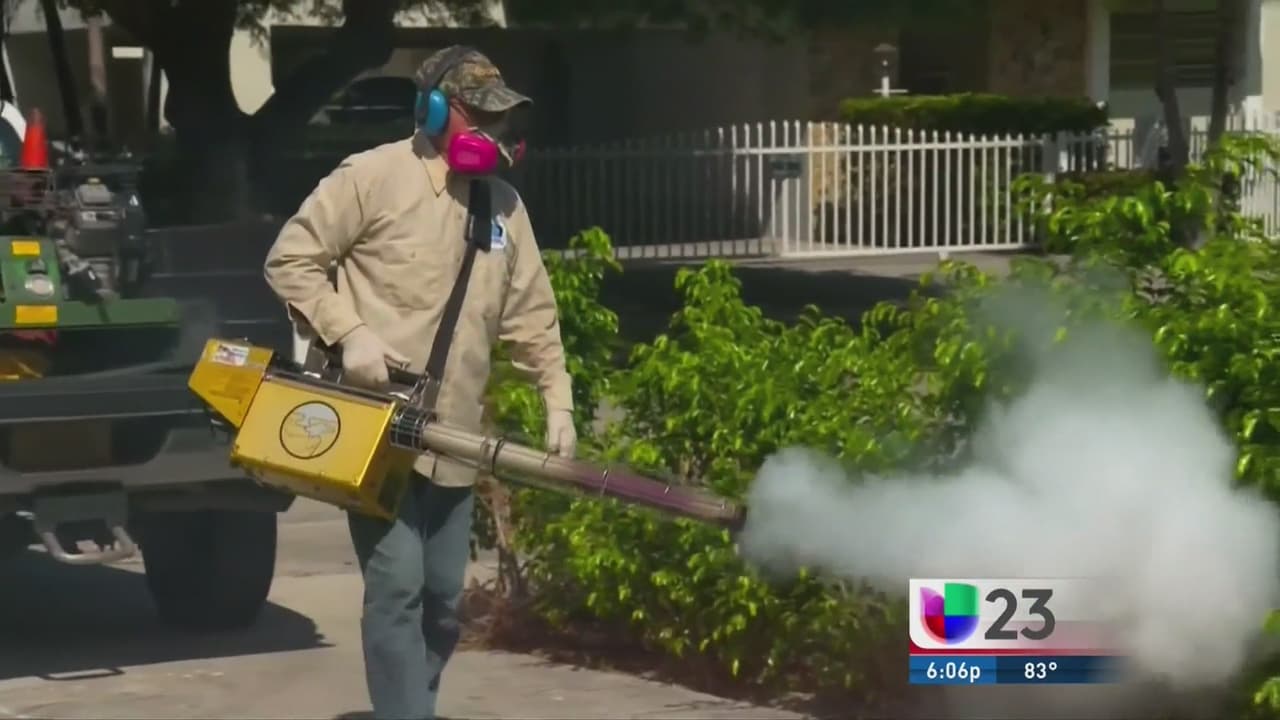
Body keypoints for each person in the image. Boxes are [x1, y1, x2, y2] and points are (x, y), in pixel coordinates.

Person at [262, 45, 577, 720]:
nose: (491, 131)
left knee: (443, 602)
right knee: (397, 588)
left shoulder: (503, 207)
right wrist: (349, 333)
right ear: (432, 110)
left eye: (499, 119)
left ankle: (410, 704)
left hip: (455, 437)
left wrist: (559, 400)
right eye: (477, 115)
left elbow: (531, 315)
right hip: (376, 429)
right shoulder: (372, 178)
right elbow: (290, 260)